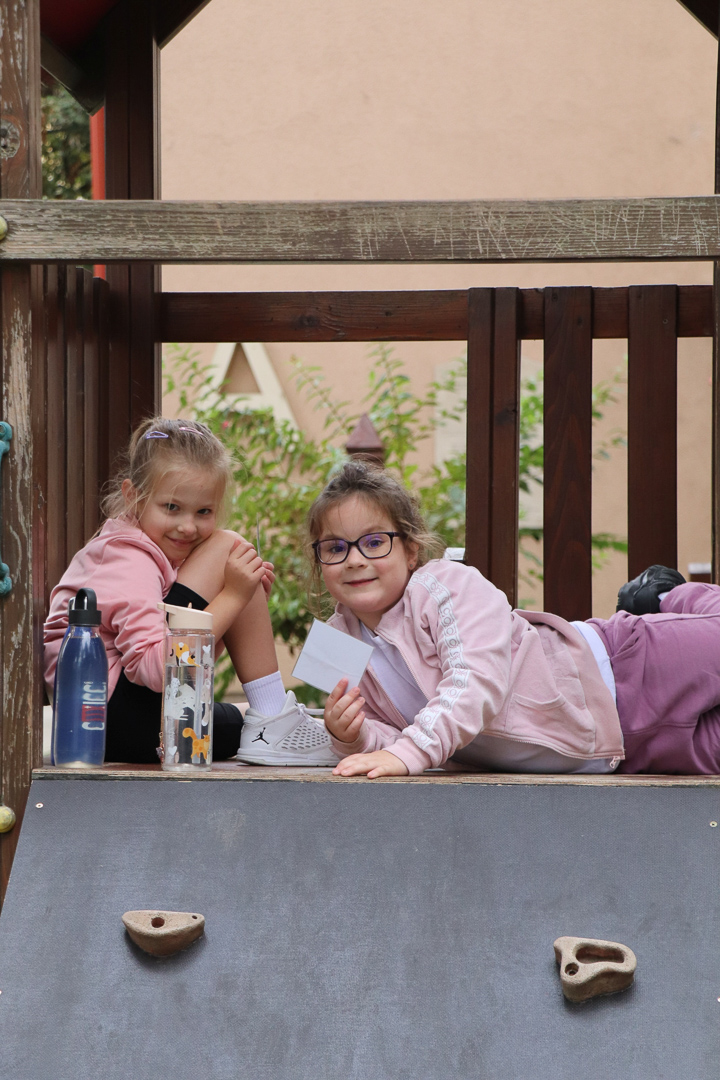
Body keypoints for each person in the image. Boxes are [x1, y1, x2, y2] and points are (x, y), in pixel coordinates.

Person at [306, 460, 720, 778]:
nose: (354, 559)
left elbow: (474, 682)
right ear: (319, 560)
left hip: (624, 669)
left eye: (374, 542)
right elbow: (387, 743)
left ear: (411, 550)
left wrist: (409, 753)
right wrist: (352, 736)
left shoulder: (445, 586)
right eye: (335, 547)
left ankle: (663, 596)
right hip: (619, 750)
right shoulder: (334, 644)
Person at [44, 417, 336, 766]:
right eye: (172, 507)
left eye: (204, 511)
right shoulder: (128, 560)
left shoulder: (147, 551)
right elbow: (158, 669)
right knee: (228, 547)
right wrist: (233, 597)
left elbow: (191, 662)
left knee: (249, 719)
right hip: (107, 720)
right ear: (133, 496)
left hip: (120, 722)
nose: (188, 526)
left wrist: (236, 605)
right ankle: (274, 720)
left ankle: (275, 718)